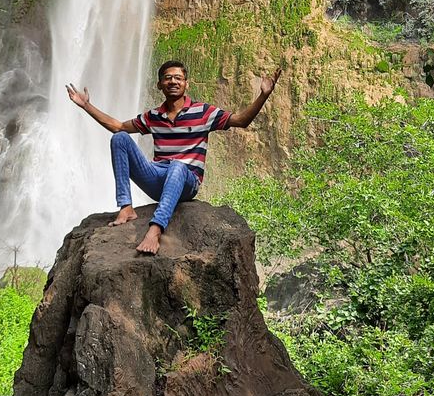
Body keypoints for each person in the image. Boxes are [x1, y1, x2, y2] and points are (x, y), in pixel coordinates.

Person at [66, 59, 281, 255]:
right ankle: (126, 207)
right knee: (120, 138)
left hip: (187, 180)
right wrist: (86, 105)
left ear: (186, 84)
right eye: (167, 78)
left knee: (177, 166)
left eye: (178, 78)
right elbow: (118, 126)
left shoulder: (204, 112)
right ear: (159, 85)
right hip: (158, 177)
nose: (173, 81)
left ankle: (155, 230)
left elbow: (241, 121)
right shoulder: (153, 116)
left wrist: (263, 94)